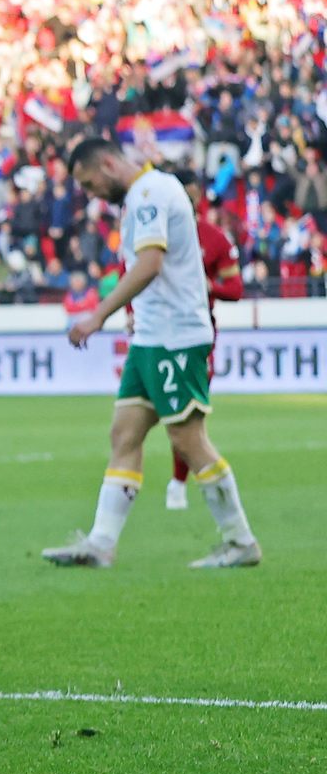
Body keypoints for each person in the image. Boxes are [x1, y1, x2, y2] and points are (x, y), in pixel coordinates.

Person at [42, 139, 262, 569]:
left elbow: (150, 263)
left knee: (187, 439)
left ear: (108, 164)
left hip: (175, 337)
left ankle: (241, 541)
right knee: (124, 433)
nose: (91, 194)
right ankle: (101, 543)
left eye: (90, 183)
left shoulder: (149, 194)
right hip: (151, 335)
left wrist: (98, 315)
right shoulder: (147, 194)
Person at [166, 207, 244, 510]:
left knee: (189, 414)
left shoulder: (214, 238)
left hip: (198, 335)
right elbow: (129, 270)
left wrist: (212, 287)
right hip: (158, 331)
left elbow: (235, 289)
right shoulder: (154, 232)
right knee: (131, 424)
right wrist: (132, 312)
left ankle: (178, 483)